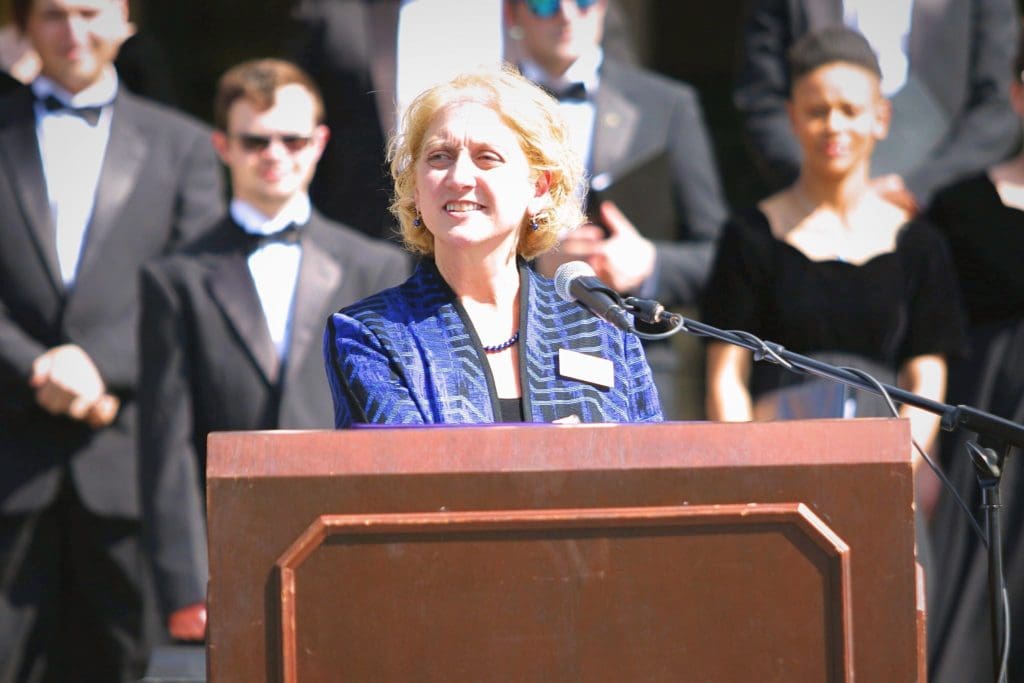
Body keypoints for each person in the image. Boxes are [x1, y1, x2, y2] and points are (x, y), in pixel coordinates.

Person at [138, 58, 409, 643]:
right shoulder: (174, 279)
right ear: (223, 146)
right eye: (255, 141)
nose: (275, 154)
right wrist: (185, 584)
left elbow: (392, 431)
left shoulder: (376, 266)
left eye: (293, 139)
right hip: (229, 549)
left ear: (320, 143)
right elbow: (165, 444)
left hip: (350, 542)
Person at [0, 0, 224, 680]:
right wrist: (35, 366)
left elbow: (197, 287)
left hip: (128, 460)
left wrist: (100, 366)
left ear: (126, 20)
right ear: (25, 26)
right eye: (53, 14)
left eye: (89, 11)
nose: (72, 32)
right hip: (10, 454)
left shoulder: (184, 145)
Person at [324, 66, 662, 426]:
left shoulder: (602, 327)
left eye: (487, 158)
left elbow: (653, 456)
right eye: (439, 157)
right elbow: (408, 461)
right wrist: (555, 450)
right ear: (417, 190)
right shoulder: (372, 333)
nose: (459, 177)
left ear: (539, 188)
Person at [704, 27, 964, 471]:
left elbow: (927, 375)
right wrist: (749, 469)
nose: (834, 126)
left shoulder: (919, 242)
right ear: (792, 118)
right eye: (817, 111)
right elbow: (726, 372)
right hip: (774, 460)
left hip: (886, 463)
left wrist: (900, 466)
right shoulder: (750, 235)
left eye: (850, 110)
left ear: (880, 118)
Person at [506, 0, 727, 419]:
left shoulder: (668, 104)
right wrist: (534, 259)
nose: (567, 15)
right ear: (511, 13)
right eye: (544, 3)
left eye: (583, 1)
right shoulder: (483, 109)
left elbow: (719, 255)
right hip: (512, 357)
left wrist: (649, 264)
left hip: (636, 358)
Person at [287, 0, 638, 240]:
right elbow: (295, 127)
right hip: (372, 253)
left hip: (522, 258)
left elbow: (626, 116)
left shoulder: (550, 8)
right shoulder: (337, 13)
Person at [924, 33, 1024, 683]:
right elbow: (930, 339)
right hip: (989, 441)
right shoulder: (960, 206)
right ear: (1017, 93)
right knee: (973, 619)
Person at [734, 0, 1020, 211]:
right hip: (809, 218)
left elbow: (999, 105)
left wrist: (918, 188)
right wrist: (824, 188)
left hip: (946, 216)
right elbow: (762, 97)